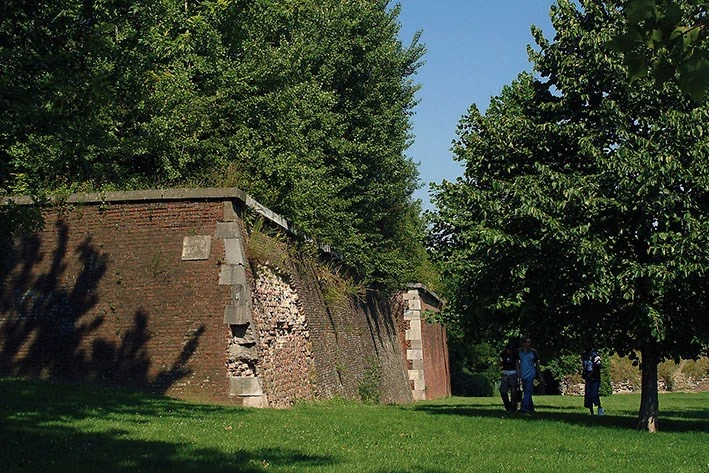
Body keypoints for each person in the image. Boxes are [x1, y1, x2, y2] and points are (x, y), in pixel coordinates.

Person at [516, 337, 542, 414]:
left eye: (529, 342)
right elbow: (517, 364)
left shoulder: (533, 352)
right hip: (523, 375)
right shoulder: (519, 352)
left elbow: (537, 364)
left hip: (531, 374)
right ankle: (531, 409)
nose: (528, 344)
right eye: (527, 342)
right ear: (523, 343)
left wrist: (539, 375)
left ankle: (524, 408)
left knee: (528, 391)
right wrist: (518, 374)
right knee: (527, 392)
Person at [582, 344, 605, 416]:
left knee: (594, 395)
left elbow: (597, 367)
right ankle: (591, 412)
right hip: (588, 378)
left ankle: (600, 408)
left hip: (595, 378)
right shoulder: (584, 356)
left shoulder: (595, 356)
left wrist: (590, 374)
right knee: (588, 396)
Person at [498, 343, 518, 411]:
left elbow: (517, 364)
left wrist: (518, 374)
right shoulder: (503, 354)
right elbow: (500, 364)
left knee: (513, 391)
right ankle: (507, 404)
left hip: (513, 373)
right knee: (503, 391)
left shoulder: (515, 355)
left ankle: (513, 405)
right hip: (505, 372)